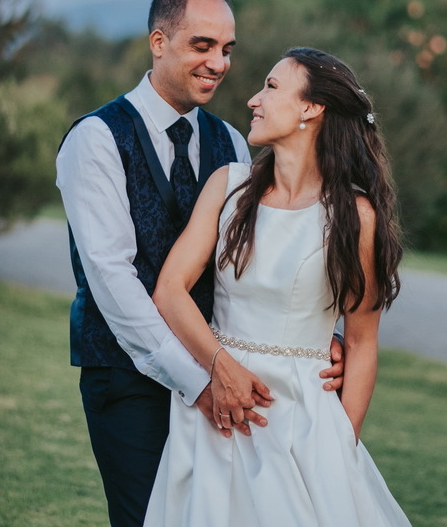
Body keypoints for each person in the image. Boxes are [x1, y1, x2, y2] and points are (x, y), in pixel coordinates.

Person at [55, 0, 345, 527]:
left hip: (226, 379)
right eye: (202, 45)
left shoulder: (233, 143)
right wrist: (202, 378)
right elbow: (112, 280)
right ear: (158, 42)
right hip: (130, 381)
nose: (219, 63)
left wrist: (319, 334)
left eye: (227, 49)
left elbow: (269, 254)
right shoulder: (95, 139)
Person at [146, 47, 412, 526]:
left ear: (311, 107)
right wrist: (219, 367)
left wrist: (341, 446)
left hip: (302, 422)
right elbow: (169, 290)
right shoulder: (228, 185)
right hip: (215, 415)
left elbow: (361, 342)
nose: (253, 99)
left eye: (271, 87)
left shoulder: (355, 217)